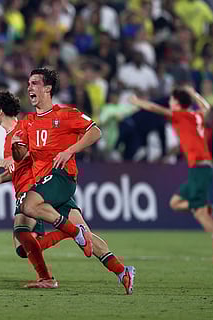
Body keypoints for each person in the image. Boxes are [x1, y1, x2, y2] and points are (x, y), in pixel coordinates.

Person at [17, 68, 135, 293]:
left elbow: (95, 132)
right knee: (85, 233)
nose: (29, 87)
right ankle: (122, 271)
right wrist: (15, 149)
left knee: (29, 206)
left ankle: (73, 232)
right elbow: (22, 154)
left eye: (35, 83)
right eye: (28, 83)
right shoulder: (29, 121)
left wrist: (69, 150)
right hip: (45, 184)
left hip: (62, 176)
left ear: (48, 88)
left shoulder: (67, 114)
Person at [0, 90, 71, 289]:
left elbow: (36, 153)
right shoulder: (7, 138)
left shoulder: (25, 128)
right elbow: (14, 170)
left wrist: (13, 158)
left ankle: (47, 276)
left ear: (0, 111)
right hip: (21, 188)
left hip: (33, 188)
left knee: (22, 232)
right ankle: (68, 233)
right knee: (22, 247)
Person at [130, 87, 213, 259]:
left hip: (200, 167)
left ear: (176, 103)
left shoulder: (181, 115)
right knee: (175, 203)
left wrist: (137, 102)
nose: (169, 104)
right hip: (198, 168)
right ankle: (212, 209)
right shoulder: (196, 116)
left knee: (199, 213)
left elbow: (155, 109)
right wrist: (195, 94)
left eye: (171, 101)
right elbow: (206, 108)